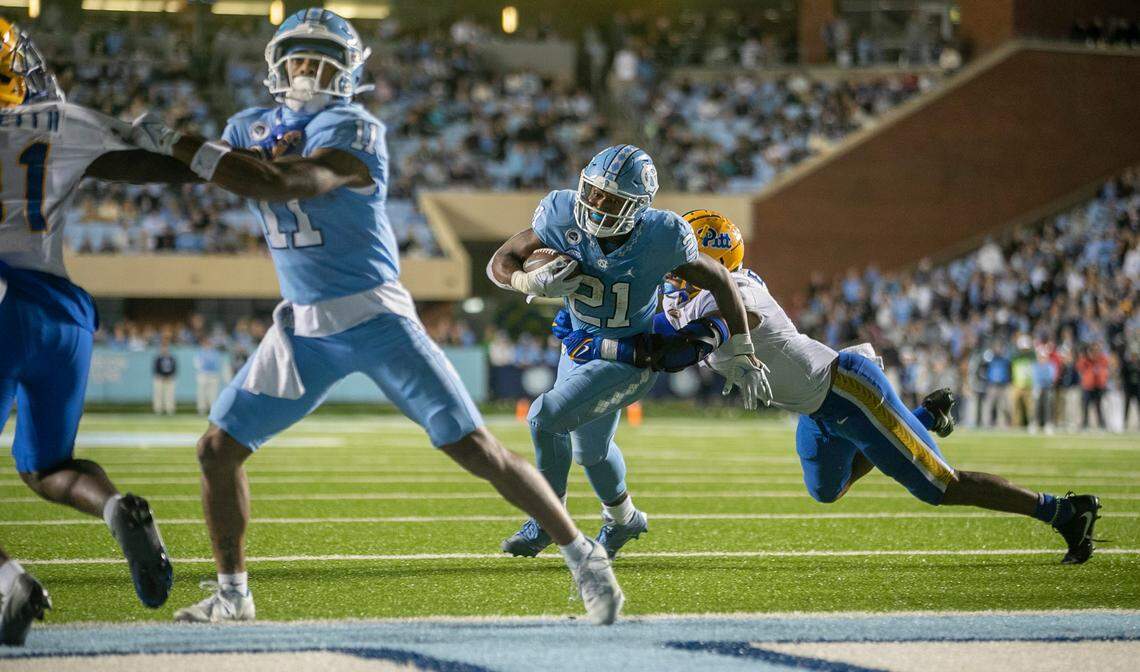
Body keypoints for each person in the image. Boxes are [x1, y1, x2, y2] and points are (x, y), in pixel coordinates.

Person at [117, 8, 622, 625]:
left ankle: (584, 555)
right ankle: (233, 593)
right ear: (278, 66)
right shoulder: (247, 126)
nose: (309, 70)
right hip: (303, 327)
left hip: (375, 315)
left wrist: (177, 139)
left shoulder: (354, 127)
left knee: (476, 449)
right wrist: (94, 143)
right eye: (300, 59)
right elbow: (180, 169)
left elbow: (284, 181)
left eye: (324, 61)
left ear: (349, 73)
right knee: (217, 450)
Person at [556, 210, 1102, 565]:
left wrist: (604, 347)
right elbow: (653, 328)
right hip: (816, 410)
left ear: (711, 261)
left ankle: (1063, 511)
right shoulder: (690, 292)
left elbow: (677, 352)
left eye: (682, 257)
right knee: (826, 491)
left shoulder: (733, 290)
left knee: (939, 486)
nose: (671, 266)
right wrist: (593, 320)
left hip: (846, 391)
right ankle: (923, 418)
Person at [0, 18, 186, 644]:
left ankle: (10, 583)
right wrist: (236, 159)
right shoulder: (60, 120)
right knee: (49, 467)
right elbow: (152, 165)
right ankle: (113, 507)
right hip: (63, 313)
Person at [489, 178, 770, 561]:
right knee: (591, 452)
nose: (597, 203)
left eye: (612, 199)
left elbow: (705, 301)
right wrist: (525, 280)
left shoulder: (664, 241)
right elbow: (502, 259)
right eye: (594, 192)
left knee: (544, 417)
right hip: (579, 349)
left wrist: (741, 346)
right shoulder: (563, 215)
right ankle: (625, 519)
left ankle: (547, 520)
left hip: (623, 360)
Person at [1077, 342, 1110, 430]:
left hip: (1098, 386)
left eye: (1097, 350)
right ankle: (1085, 424)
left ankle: (1101, 424)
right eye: (1093, 350)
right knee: (1085, 406)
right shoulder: (1085, 360)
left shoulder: (1102, 359)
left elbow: (1105, 369)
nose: (1095, 352)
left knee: (1098, 406)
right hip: (1087, 386)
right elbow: (1079, 367)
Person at [194, 340, 223, 415]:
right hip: (203, 374)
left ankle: (213, 410)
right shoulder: (200, 353)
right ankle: (201, 409)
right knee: (201, 393)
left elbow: (218, 363)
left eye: (209, 344)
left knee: (213, 393)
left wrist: (215, 372)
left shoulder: (215, 353)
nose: (207, 346)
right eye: (206, 344)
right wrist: (202, 370)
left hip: (213, 375)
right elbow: (197, 364)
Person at [152, 342, 177, 415]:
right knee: (158, 394)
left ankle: (170, 409)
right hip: (160, 379)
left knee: (170, 395)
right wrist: (161, 376)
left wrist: (169, 376)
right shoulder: (158, 358)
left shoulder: (171, 358)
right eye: (163, 348)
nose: (164, 350)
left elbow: (174, 368)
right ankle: (158, 410)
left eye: (166, 348)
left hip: (169, 379)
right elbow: (155, 369)